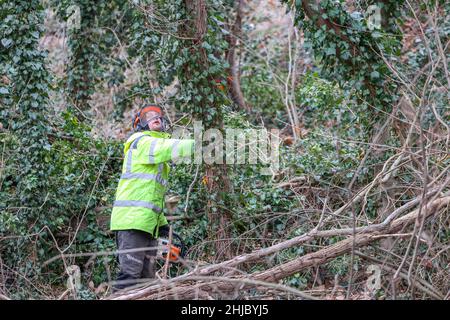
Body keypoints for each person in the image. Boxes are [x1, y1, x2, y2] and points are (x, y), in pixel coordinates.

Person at [110, 104, 194, 291]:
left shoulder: (157, 156)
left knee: (147, 281)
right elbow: (168, 147)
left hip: (146, 222)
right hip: (132, 221)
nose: (155, 118)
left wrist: (163, 225)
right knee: (130, 275)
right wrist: (199, 144)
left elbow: (151, 197)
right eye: (149, 116)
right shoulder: (141, 142)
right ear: (140, 124)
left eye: (158, 116)